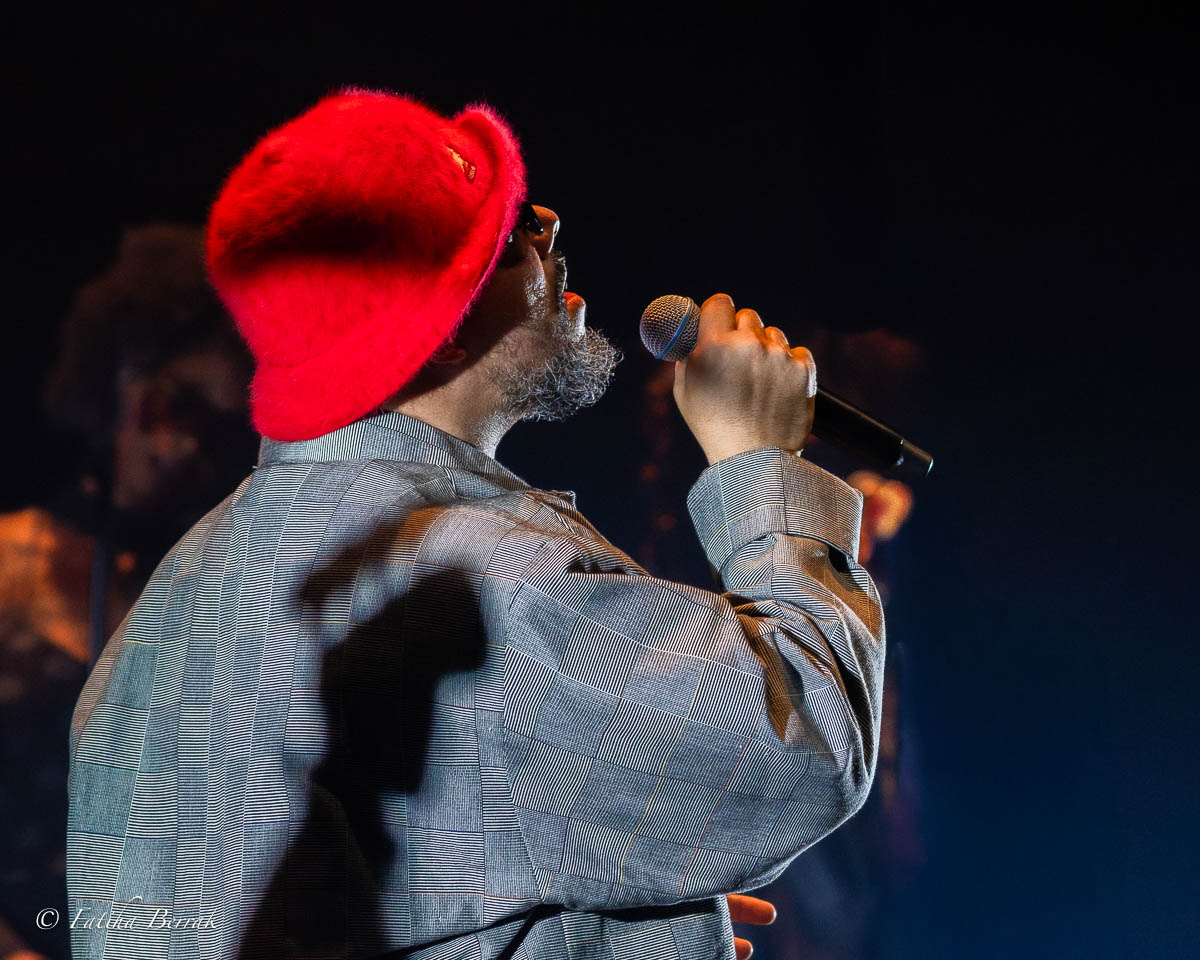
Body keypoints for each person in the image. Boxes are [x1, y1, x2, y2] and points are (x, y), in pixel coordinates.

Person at [66, 89, 886, 960]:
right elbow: (806, 746)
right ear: (445, 330)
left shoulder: (157, 623)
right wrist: (760, 460)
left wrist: (606, 930)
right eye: (513, 233)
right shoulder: (473, 575)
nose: (551, 229)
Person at [0, 223, 256, 960]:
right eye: (176, 404)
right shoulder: (9, 561)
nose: (179, 443)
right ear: (120, 389)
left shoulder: (227, 593)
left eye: (220, 426)